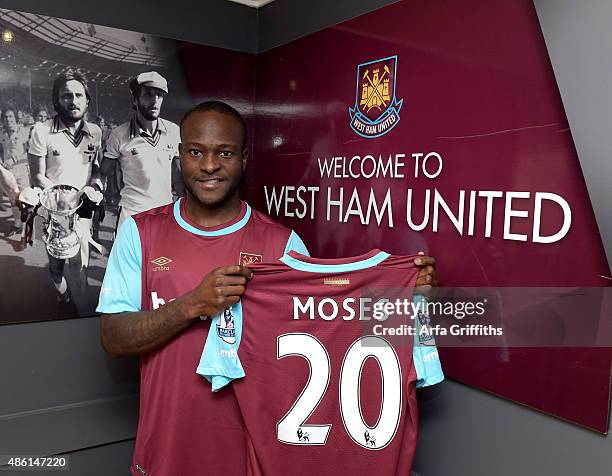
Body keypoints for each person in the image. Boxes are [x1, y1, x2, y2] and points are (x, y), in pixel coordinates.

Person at [97, 100, 437, 475]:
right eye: (196, 152)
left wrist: (401, 297)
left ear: (243, 159)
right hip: (166, 453)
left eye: (224, 153)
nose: (209, 166)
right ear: (180, 156)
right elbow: (114, 338)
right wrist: (191, 304)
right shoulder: (141, 233)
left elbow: (331, 331)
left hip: (254, 461)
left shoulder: (282, 245)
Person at [28, 71, 103, 303]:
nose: (73, 100)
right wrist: (63, 198)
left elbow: (96, 166)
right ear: (57, 100)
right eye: (67, 95)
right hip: (55, 211)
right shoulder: (41, 131)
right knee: (57, 267)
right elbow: (37, 175)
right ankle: (63, 293)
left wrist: (97, 183)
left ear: (87, 100)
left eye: (79, 95)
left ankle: (81, 306)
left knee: (80, 264)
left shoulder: (96, 132)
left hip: (83, 210)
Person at [100, 71, 183, 229]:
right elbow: (102, 173)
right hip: (132, 215)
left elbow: (178, 177)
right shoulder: (119, 134)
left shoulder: (174, 131)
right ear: (135, 99)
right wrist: (96, 190)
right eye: (148, 94)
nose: (155, 100)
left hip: (164, 215)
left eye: (159, 95)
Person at [0, 105, 30, 236]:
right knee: (13, 197)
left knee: (24, 197)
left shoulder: (23, 131)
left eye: (10, 116)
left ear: (15, 117)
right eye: (5, 117)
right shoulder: (1, 133)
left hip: (22, 168)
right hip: (8, 170)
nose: (8, 119)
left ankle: (27, 224)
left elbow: (25, 149)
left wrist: (12, 159)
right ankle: (17, 223)